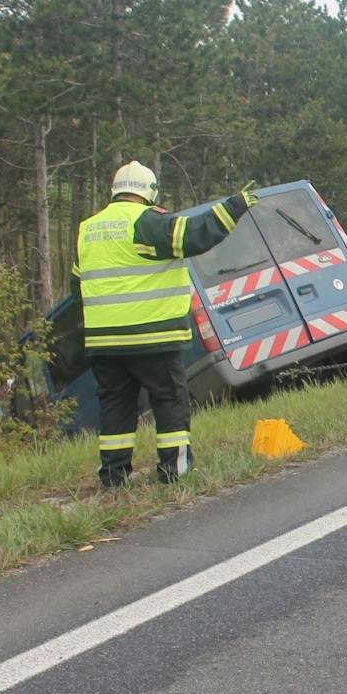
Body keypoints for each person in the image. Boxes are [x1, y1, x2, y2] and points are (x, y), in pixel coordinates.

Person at [73, 161, 257, 488]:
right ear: (150, 191)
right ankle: (175, 471)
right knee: (169, 400)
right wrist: (234, 207)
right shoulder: (145, 222)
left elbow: (78, 286)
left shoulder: (88, 229)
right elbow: (195, 235)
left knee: (115, 407)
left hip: (104, 343)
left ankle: (114, 478)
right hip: (153, 336)